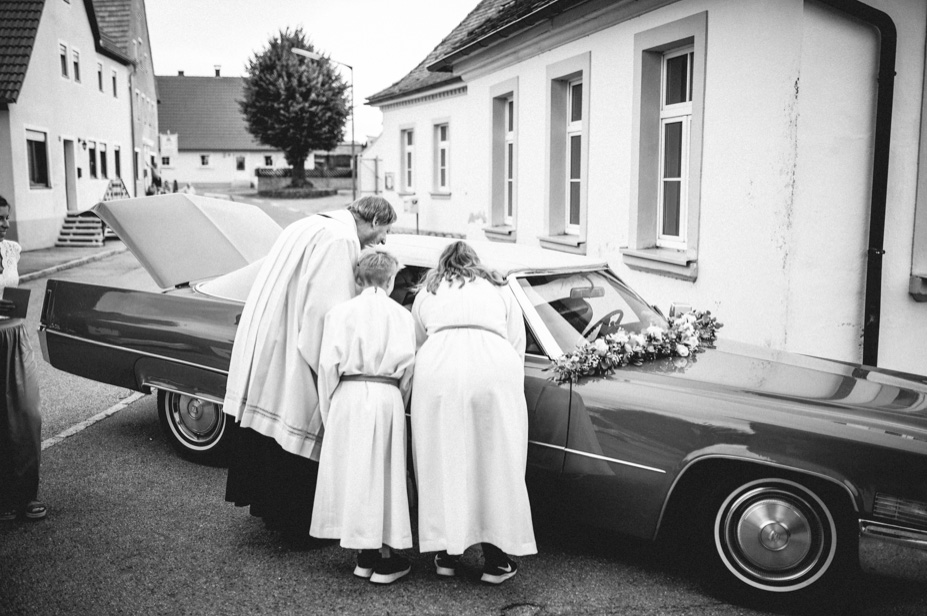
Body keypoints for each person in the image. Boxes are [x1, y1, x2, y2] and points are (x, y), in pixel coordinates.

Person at [223, 196, 396, 540]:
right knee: (297, 425)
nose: (383, 242)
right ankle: (294, 523)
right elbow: (325, 313)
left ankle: (270, 510)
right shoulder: (340, 240)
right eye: (384, 233)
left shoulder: (306, 224)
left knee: (269, 430)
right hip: (293, 351)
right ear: (375, 222)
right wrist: (334, 366)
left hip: (270, 340)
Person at [410, 240, 536, 584]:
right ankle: (495, 559)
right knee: (495, 460)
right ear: (475, 262)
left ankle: (447, 553)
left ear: (444, 263)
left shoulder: (428, 290)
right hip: (493, 368)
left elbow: (417, 340)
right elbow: (516, 342)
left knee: (444, 457)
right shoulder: (498, 287)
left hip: (439, 371)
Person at [310, 250, 416, 584]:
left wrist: (330, 410)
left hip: (348, 394)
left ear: (358, 279)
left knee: (355, 472)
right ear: (391, 279)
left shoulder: (339, 313)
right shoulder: (401, 317)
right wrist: (398, 401)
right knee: (384, 474)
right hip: (387, 395)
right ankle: (384, 556)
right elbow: (409, 370)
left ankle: (363, 554)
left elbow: (327, 367)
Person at [0, 196, 46, 522]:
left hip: (16, 337)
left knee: (28, 414)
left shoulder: (11, 249)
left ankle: (26, 494)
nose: (4, 223)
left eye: (6, 217)